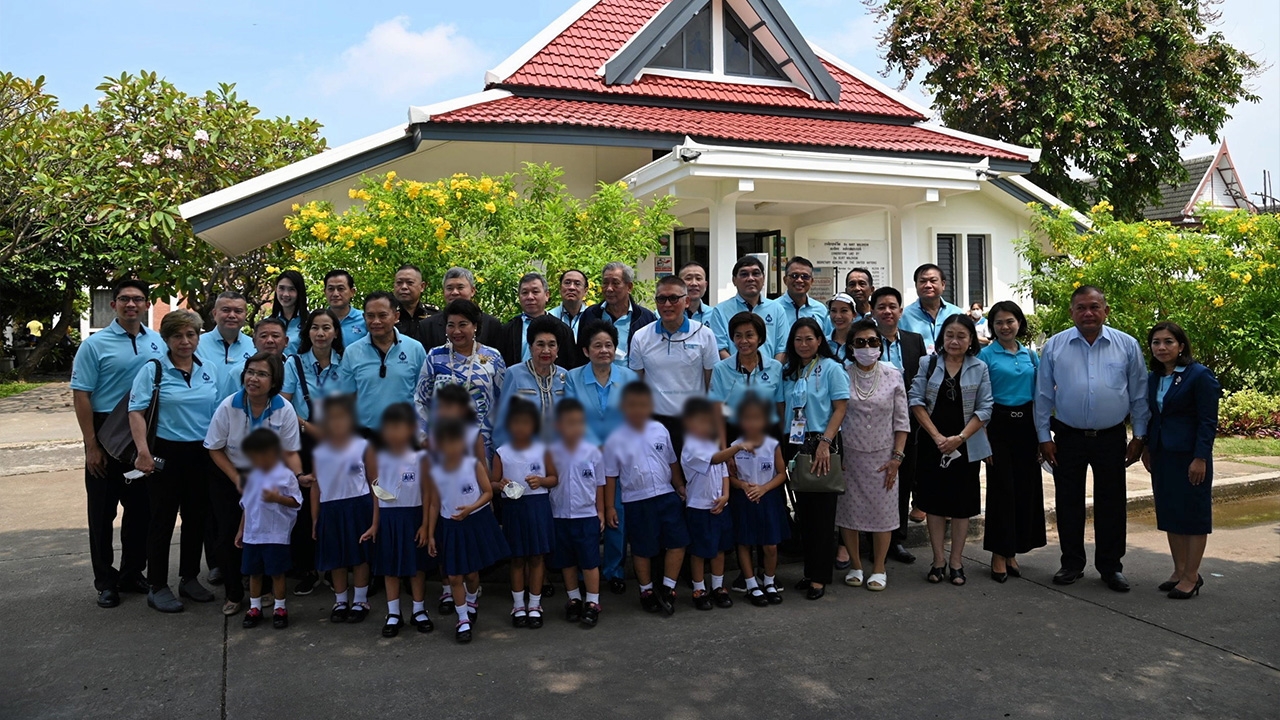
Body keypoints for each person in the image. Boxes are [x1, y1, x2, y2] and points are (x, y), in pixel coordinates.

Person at [1035, 286, 1149, 592]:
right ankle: (1071, 563)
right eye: (1081, 307)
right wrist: (1044, 437)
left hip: (1111, 436)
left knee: (1111, 502)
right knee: (1068, 501)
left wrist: (1139, 436)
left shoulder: (1126, 345)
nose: (1088, 313)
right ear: (1071, 312)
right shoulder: (1055, 346)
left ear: (1106, 310)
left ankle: (1111, 567)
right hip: (1067, 437)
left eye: (1095, 307)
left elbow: (1139, 394)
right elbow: (1043, 395)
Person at [71, 278, 164, 608]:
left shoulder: (157, 343)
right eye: (124, 299)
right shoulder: (94, 345)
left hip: (141, 434)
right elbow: (81, 394)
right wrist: (90, 445)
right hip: (104, 429)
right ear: (113, 304)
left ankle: (131, 572)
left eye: (138, 299)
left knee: (140, 511)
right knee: (101, 513)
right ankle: (105, 581)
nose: (131, 305)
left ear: (146, 304)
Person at [127, 309, 225, 613]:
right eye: (178, 336)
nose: (185, 341)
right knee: (162, 520)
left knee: (196, 519)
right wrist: (143, 452)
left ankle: (189, 578)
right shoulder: (154, 370)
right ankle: (157, 585)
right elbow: (136, 412)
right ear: (167, 339)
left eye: (191, 334)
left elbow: (216, 412)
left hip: (201, 454)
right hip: (165, 455)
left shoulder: (207, 368)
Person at [204, 352, 303, 616]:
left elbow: (290, 451)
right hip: (230, 472)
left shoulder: (284, 408)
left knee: (267, 534)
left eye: (262, 374)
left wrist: (299, 478)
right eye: (250, 372)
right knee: (228, 535)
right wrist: (238, 480)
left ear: (274, 381)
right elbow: (214, 448)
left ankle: (267, 589)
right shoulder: (229, 405)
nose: (253, 379)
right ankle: (234, 593)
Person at [910, 314, 993, 587]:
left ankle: (957, 561)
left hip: (966, 445)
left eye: (961, 336)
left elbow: (985, 408)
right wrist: (937, 438)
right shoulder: (928, 363)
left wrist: (959, 438)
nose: (954, 341)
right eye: (949, 335)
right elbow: (916, 400)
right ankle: (937, 559)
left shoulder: (979, 367)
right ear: (942, 337)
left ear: (971, 340)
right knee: (933, 503)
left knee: (961, 505)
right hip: (933, 445)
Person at [1143, 322, 1220, 599]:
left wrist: (1200, 457)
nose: (1161, 347)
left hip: (1190, 456)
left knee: (1193, 514)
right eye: (1156, 342)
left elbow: (1208, 421)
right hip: (1163, 454)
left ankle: (1191, 576)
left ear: (1181, 346)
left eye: (1168, 342)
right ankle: (1179, 570)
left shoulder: (1198, 375)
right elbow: (1154, 416)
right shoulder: (1154, 377)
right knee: (1171, 512)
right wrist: (1148, 447)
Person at [565, 321, 640, 595]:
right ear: (586, 350)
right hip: (585, 458)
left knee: (616, 515)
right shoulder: (572, 378)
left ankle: (614, 570)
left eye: (609, 345)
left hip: (620, 459)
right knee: (587, 516)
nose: (604, 350)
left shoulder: (629, 377)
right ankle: (587, 570)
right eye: (597, 345)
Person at [603, 381, 688, 616]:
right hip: (636, 500)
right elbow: (610, 476)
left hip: (666, 494)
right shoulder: (615, 438)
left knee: (678, 541)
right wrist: (610, 506)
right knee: (642, 548)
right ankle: (646, 590)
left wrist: (680, 486)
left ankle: (669, 588)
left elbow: (672, 462)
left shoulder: (660, 429)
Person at [778, 317, 849, 600]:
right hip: (794, 443)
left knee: (821, 512)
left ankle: (820, 576)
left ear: (820, 340)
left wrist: (825, 443)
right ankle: (809, 571)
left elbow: (840, 408)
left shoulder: (832, 368)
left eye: (809, 338)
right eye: (798, 339)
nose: (804, 344)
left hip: (821, 442)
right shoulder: (789, 371)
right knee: (803, 512)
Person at [837, 319, 910, 591]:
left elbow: (902, 422)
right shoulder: (841, 373)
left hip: (884, 457)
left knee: (883, 514)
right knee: (849, 514)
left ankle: (879, 566)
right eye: (860, 342)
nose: (867, 347)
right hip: (850, 457)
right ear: (851, 346)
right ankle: (856, 564)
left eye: (872, 342)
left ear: (880, 345)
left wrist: (897, 458)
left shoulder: (893, 375)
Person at [977, 301, 1046, 581]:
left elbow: (1041, 396)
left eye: (1010, 321)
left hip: (1027, 426)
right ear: (992, 327)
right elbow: (978, 399)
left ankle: (1012, 551)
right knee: (1001, 490)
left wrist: (1044, 437)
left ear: (1019, 323)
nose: (1005, 327)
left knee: (1024, 490)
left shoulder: (1030, 356)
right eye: (999, 323)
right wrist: (982, 438)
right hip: (997, 426)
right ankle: (998, 553)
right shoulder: (985, 356)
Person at [425, 418, 510, 644]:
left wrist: (469, 509)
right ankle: (462, 619)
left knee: (471, 575)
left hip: (472, 522)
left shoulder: (474, 465)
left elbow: (488, 493)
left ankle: (472, 599)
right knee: (454, 575)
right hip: (450, 526)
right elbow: (434, 504)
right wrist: (432, 534)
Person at [280, 308, 344, 595]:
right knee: (305, 505)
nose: (320, 333)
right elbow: (284, 405)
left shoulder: (345, 362)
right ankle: (306, 568)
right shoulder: (294, 363)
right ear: (307, 333)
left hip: (337, 440)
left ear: (335, 332)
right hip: (303, 440)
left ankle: (332, 568)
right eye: (315, 328)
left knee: (333, 504)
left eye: (327, 328)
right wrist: (308, 426)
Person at [628, 275, 718, 454]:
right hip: (654, 423)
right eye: (661, 299)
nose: (667, 305)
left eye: (674, 298)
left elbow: (711, 382)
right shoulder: (641, 336)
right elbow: (637, 383)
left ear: (686, 301)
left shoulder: (704, 335)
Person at [870, 286, 928, 559]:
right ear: (873, 312)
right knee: (874, 481)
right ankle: (872, 538)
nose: (887, 311)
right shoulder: (865, 341)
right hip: (873, 424)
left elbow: (920, 380)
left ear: (901, 311)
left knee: (903, 479)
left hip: (908, 423)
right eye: (881, 306)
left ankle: (897, 539)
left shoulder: (914, 341)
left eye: (892, 306)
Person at [311, 395, 378, 624]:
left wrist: (376, 517)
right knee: (335, 557)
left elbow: (374, 482)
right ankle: (340, 600)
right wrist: (315, 518)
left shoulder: (362, 446)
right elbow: (316, 486)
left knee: (360, 556)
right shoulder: (320, 452)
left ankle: (360, 600)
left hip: (359, 506)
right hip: (331, 508)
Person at [492, 398, 559, 629]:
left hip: (537, 507)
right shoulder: (502, 453)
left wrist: (540, 481)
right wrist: (500, 485)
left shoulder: (543, 450)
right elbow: (491, 483)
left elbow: (553, 478)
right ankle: (518, 604)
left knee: (537, 556)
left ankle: (535, 604)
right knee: (517, 558)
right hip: (514, 509)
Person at [371, 403, 436, 637]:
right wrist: (375, 524)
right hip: (389, 519)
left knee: (416, 568)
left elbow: (428, 493)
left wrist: (426, 526)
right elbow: (376, 493)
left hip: (413, 516)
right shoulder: (380, 458)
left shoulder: (420, 457)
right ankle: (393, 613)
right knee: (391, 568)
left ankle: (419, 610)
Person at [415, 299, 507, 458]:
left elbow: (503, 403)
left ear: (475, 326)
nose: (456, 331)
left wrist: (501, 444)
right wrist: (423, 437)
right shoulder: (435, 357)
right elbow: (421, 400)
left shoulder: (493, 357)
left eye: (463, 324)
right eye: (451, 325)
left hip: (484, 447)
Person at [234, 428, 302, 630]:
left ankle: (280, 607)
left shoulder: (286, 477)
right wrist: (241, 530)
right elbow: (246, 506)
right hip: (253, 534)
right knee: (254, 573)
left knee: (277, 572)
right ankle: (254, 607)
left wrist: (277, 498)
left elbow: (296, 502)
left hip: (275, 534)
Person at [548, 398, 605, 627]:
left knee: (590, 561)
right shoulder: (551, 451)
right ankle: (573, 599)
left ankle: (592, 602)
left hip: (586, 515)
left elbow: (600, 483)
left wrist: (600, 510)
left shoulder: (593, 451)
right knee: (567, 561)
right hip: (559, 515)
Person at [339, 291, 427, 434]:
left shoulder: (415, 349)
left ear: (396, 317)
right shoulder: (352, 352)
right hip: (366, 436)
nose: (376, 321)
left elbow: (423, 395)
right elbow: (347, 398)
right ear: (364, 317)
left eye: (382, 315)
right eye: (370, 316)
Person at [728, 395, 788, 606]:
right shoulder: (734, 447)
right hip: (744, 499)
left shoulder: (772, 444)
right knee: (744, 542)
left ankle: (769, 581)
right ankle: (751, 584)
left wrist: (764, 488)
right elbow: (730, 477)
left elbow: (782, 473)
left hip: (767, 498)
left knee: (770, 545)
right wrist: (743, 485)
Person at [680, 397, 739, 611]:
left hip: (719, 505)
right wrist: (739, 447)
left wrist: (726, 496)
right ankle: (699, 588)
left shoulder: (713, 445)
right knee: (699, 551)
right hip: (699, 507)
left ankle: (717, 586)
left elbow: (724, 471)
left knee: (719, 549)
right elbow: (715, 459)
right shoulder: (690, 449)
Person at [493, 315, 569, 448]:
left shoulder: (565, 376)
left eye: (552, 345)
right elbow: (503, 420)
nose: (546, 350)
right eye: (540, 344)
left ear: (558, 349)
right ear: (530, 347)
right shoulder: (515, 374)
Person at [708, 312, 783, 445]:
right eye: (738, 336)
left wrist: (783, 445)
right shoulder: (721, 369)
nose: (743, 341)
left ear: (760, 338)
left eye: (749, 335)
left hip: (768, 437)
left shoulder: (775, 368)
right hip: (733, 435)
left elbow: (780, 409)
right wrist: (724, 450)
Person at [499, 271, 581, 370]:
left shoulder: (563, 330)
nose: (530, 297)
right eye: (525, 293)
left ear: (547, 295)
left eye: (535, 292)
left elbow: (570, 366)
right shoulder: (508, 330)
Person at [581, 262, 657, 366]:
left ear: (629, 287)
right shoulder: (590, 314)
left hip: (633, 379)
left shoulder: (645, 318)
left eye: (615, 283)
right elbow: (581, 352)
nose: (609, 289)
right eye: (605, 283)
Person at [421, 267, 504, 349]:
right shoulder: (427, 326)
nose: (454, 292)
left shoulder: (491, 324)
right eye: (449, 288)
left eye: (460, 287)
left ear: (472, 291)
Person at [767, 256, 832, 360]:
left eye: (805, 277)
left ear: (812, 281)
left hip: (813, 371)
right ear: (785, 280)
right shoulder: (772, 308)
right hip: (782, 370)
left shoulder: (821, 309)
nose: (799, 280)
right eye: (794, 275)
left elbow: (827, 341)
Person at [708, 256, 772, 360]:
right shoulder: (720, 311)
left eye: (756, 273)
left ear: (764, 278)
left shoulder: (777, 309)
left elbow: (782, 349)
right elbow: (720, 349)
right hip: (732, 374)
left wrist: (771, 370)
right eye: (744, 274)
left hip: (770, 374)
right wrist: (737, 371)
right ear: (734, 280)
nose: (751, 278)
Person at [899, 264, 964, 355]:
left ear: (943, 284)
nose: (928, 285)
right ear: (916, 285)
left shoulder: (957, 313)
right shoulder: (904, 316)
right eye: (922, 281)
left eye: (933, 281)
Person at [223, 318, 290, 391]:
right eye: (264, 336)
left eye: (275, 336)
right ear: (254, 342)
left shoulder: (294, 369)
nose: (270, 340)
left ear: (286, 341)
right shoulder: (238, 373)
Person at [196, 291, 254, 366]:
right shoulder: (197, 345)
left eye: (238, 311)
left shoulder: (254, 346)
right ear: (214, 313)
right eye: (226, 310)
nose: (232, 315)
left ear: (245, 315)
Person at [393, 264, 439, 347]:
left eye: (409, 283)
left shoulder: (435, 315)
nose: (404, 287)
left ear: (422, 286)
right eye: (399, 283)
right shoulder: (388, 316)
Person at [323, 270, 368, 348]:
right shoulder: (318, 320)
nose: (335, 294)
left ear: (352, 292)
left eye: (340, 289)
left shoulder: (364, 319)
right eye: (331, 289)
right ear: (325, 292)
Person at [268, 270, 308, 355]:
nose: (286, 294)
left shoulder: (309, 322)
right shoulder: (268, 322)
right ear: (276, 289)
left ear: (299, 292)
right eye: (281, 288)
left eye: (291, 289)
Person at [547, 269, 589, 339]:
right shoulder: (550, 317)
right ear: (560, 288)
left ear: (585, 291)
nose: (571, 287)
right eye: (567, 283)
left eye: (577, 284)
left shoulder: (592, 317)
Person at [679, 261, 713, 326]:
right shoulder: (666, 314)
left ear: (705, 285)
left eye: (698, 278)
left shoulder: (714, 315)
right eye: (688, 278)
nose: (694, 283)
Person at [826, 292, 858, 360]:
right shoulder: (823, 344)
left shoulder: (860, 343)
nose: (838, 316)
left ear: (854, 314)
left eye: (844, 311)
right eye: (833, 311)